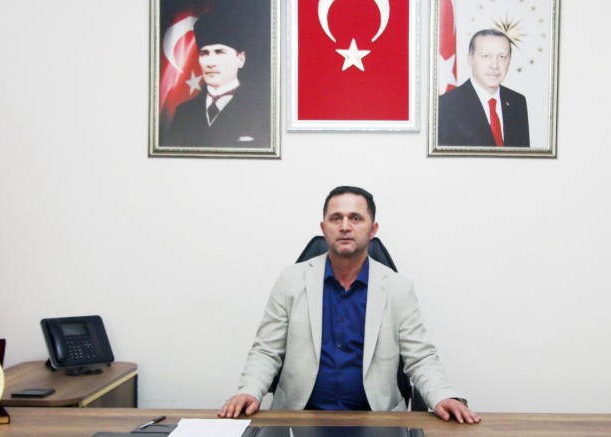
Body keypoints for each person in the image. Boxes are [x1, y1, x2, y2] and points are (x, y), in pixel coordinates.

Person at [218, 186, 480, 424]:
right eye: (336, 218)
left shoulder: (399, 288)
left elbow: (420, 356)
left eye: (355, 218)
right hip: (298, 418)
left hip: (377, 421)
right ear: (324, 228)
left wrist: (442, 395)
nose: (345, 226)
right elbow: (266, 350)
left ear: (373, 229)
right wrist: (249, 391)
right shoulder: (291, 280)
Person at [162, 4, 269, 148]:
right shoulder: (184, 112)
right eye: (204, 53)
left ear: (240, 59)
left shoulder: (262, 109)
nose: (210, 63)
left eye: (220, 52)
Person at [438, 29, 530, 147]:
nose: (495, 66)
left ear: (509, 60)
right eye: (486, 56)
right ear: (470, 59)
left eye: (502, 57)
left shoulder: (517, 102)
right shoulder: (446, 105)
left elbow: (523, 156)